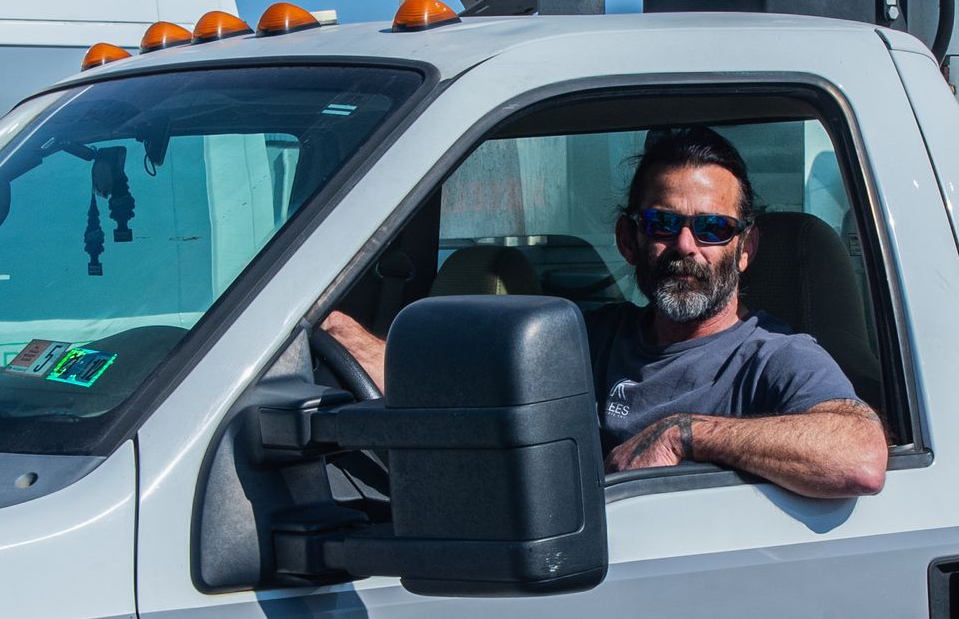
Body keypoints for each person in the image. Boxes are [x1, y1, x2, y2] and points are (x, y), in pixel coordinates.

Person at [321, 124, 888, 502]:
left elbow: (860, 455)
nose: (686, 246)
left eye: (713, 229)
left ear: (745, 249)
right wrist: (335, 329)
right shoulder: (582, 340)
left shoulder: (774, 356)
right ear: (628, 239)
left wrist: (683, 435)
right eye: (664, 225)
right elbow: (445, 389)